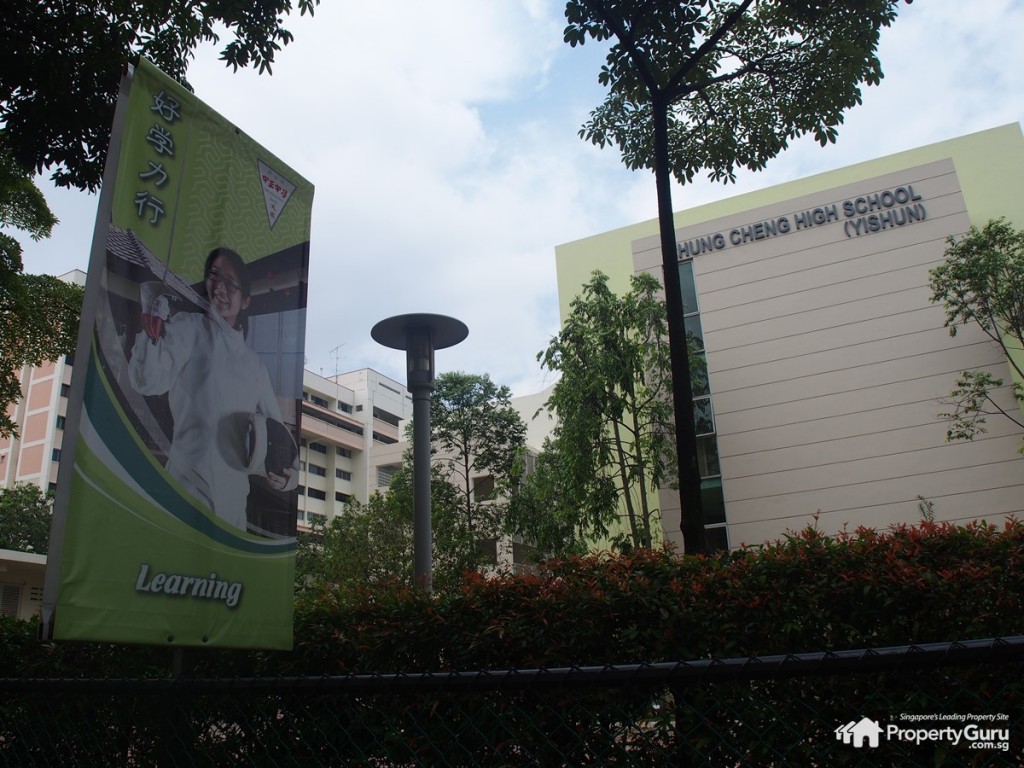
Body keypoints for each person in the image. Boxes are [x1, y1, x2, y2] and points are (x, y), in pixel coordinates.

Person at [128, 247, 297, 532]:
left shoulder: (255, 366)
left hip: (233, 499)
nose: (220, 288)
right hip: (186, 484)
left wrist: (286, 476)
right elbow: (148, 381)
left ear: (245, 300)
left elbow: (279, 435)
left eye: (231, 283)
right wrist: (152, 327)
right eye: (214, 277)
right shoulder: (190, 327)